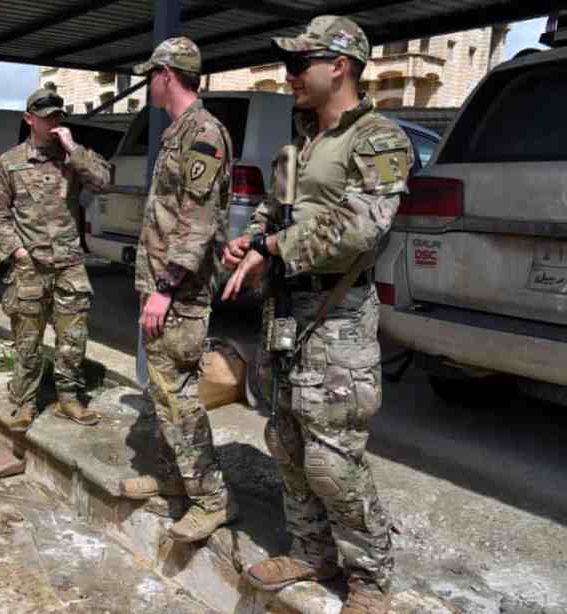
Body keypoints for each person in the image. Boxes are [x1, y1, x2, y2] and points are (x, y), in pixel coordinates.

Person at [221, 16, 413, 614]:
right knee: (285, 438)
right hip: (285, 308)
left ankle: (370, 578)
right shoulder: (299, 143)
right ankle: (311, 551)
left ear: (340, 65)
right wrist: (250, 240)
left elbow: (361, 226)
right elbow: (273, 213)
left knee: (332, 456)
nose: (290, 76)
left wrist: (273, 247)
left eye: (299, 64)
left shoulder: (378, 138)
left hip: (338, 313)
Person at [125, 37, 239, 542]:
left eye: (150, 75)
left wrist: (166, 288)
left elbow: (198, 219)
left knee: (179, 395)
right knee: (161, 389)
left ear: (166, 74)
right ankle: (174, 478)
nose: (147, 84)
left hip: (179, 291)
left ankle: (211, 498)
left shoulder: (203, 133)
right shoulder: (178, 131)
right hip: (159, 283)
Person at [0, 88, 111, 431]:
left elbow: (103, 182)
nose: (53, 122)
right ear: (29, 119)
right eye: (46, 117)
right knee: (27, 342)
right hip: (30, 265)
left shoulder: (73, 157)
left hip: (69, 263)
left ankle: (68, 399)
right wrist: (18, 252)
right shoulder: (9, 163)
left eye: (57, 116)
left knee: (73, 340)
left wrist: (73, 148)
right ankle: (25, 403)